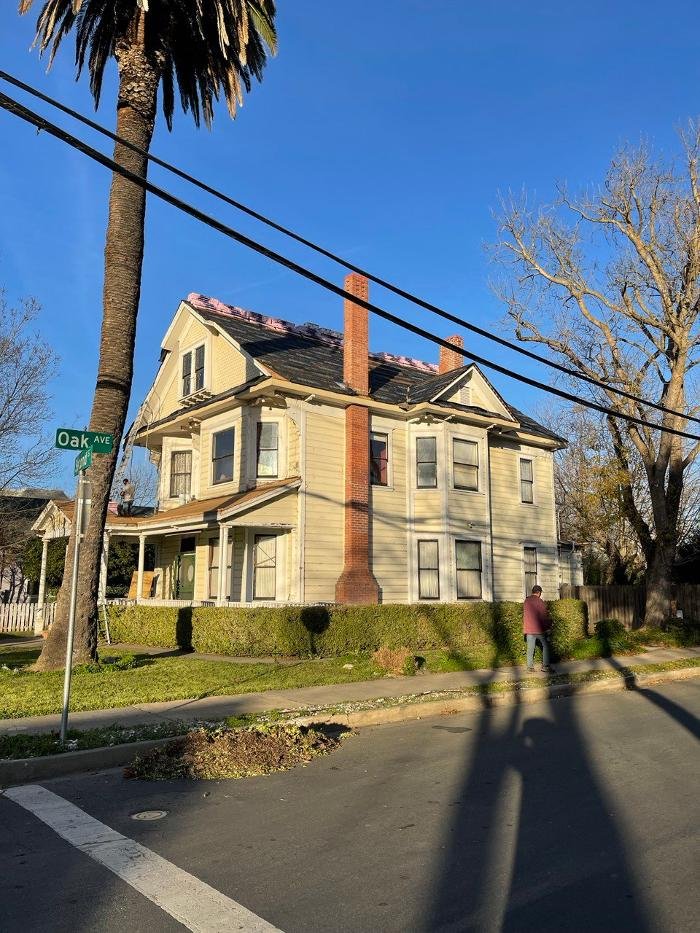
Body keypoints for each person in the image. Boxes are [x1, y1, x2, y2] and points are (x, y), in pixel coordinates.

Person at [523, 585, 555, 673]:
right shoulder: (540, 601)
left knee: (530, 648)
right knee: (546, 646)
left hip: (529, 629)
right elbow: (544, 616)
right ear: (539, 592)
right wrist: (548, 626)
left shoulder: (526, 601)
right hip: (538, 629)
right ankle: (545, 666)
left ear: (532, 591)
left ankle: (530, 668)